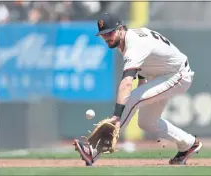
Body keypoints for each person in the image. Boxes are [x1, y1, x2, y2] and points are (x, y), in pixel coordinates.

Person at [73, 13, 203, 166]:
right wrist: (139, 98)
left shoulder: (134, 45)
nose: (107, 37)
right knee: (147, 123)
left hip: (178, 75)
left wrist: (116, 116)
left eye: (110, 33)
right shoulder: (125, 42)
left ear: (120, 29)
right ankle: (188, 144)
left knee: (132, 98)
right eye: (103, 35)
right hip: (160, 75)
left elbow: (127, 83)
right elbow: (142, 74)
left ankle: (93, 150)